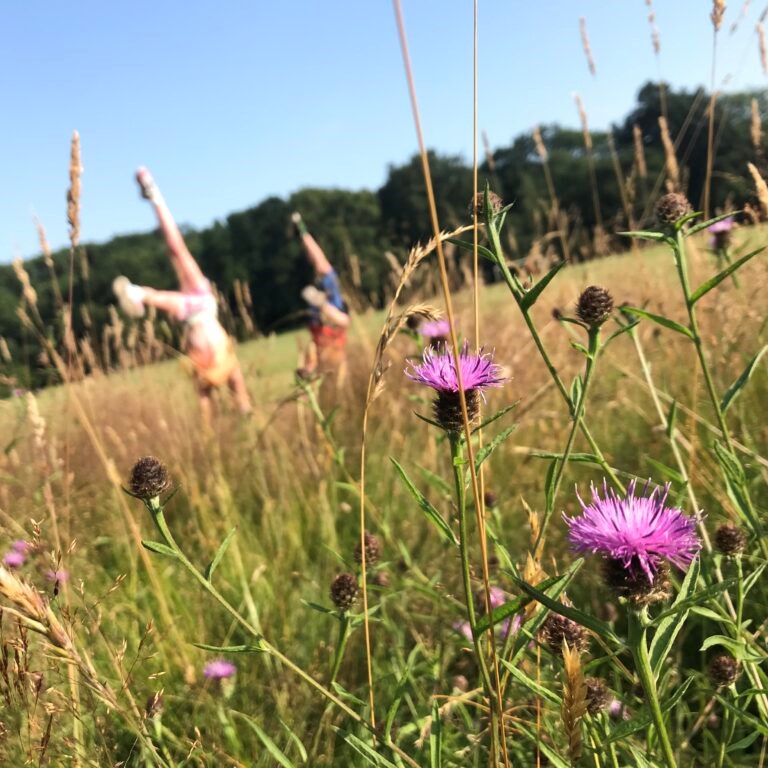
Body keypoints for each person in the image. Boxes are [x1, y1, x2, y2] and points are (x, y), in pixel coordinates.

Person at [113, 168, 252, 421]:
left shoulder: (182, 303)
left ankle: (137, 293)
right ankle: (137, 293)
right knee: (176, 249)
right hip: (198, 312)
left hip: (196, 317)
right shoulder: (186, 302)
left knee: (176, 251)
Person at [292, 212, 350, 379]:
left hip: (322, 317)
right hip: (329, 313)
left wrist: (307, 371)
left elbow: (311, 360)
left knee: (323, 267)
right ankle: (303, 233)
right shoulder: (332, 355)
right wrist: (323, 305)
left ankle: (303, 233)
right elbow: (344, 322)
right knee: (323, 267)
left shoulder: (317, 350)